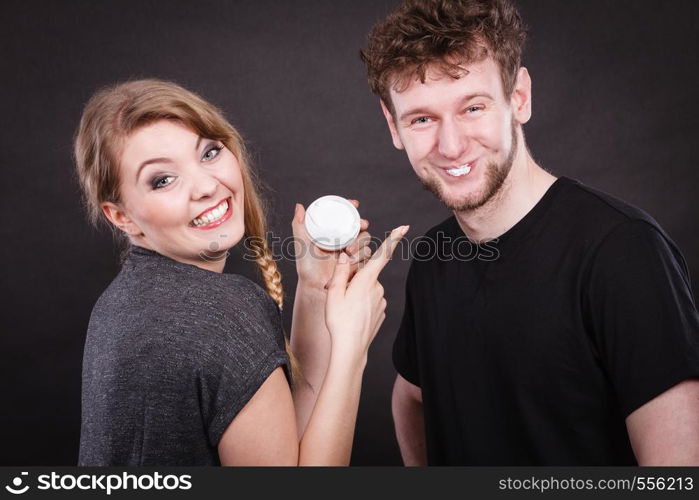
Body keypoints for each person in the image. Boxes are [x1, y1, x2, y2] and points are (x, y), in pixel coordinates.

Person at [360, 0, 699, 465]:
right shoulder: (434, 257)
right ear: (392, 125)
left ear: (518, 97)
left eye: (473, 107)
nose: (451, 144)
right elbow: (410, 397)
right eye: (422, 118)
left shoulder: (624, 252)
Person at [73, 79, 408, 465]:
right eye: (162, 180)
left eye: (209, 153)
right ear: (121, 216)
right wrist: (352, 349)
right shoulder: (224, 310)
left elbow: (283, 446)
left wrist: (316, 290)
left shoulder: (117, 304)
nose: (206, 186)